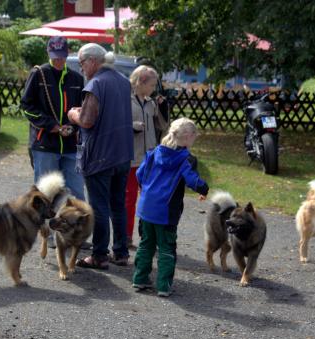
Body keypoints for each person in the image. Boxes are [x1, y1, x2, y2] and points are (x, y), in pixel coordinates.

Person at [67, 43, 133, 269]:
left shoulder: (96, 84)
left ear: (93, 61)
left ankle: (99, 255)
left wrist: (73, 114)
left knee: (99, 207)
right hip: (123, 154)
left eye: (82, 63)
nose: (81, 68)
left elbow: (87, 121)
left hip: (99, 157)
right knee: (118, 205)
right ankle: (121, 252)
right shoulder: (124, 81)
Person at [132, 118, 209, 297]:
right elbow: (192, 180)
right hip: (166, 211)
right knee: (166, 248)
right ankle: (163, 286)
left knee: (146, 244)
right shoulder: (186, 159)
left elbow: (139, 174)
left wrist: (147, 191)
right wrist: (204, 189)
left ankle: (140, 278)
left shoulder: (153, 153)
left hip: (146, 208)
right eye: (194, 136)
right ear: (189, 137)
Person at [20, 36, 85, 201]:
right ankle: (43, 227)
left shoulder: (77, 79)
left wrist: (72, 127)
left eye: (62, 56)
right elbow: (27, 106)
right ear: (48, 53)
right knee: (44, 196)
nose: (58, 60)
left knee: (76, 193)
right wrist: (51, 126)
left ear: (68, 53)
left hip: (70, 146)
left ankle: (77, 226)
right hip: (45, 145)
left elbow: (82, 110)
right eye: (55, 56)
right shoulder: (38, 74)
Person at [126, 65, 169, 249]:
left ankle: (147, 237)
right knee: (129, 200)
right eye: (151, 85)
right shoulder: (124, 101)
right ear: (140, 82)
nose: (153, 88)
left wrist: (163, 106)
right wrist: (131, 125)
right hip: (132, 159)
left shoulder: (151, 102)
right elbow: (116, 125)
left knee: (151, 199)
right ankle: (126, 236)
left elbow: (163, 126)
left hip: (151, 159)